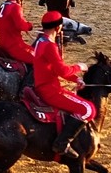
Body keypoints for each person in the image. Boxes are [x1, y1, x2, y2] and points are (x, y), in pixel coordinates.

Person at [32, 10, 96, 158]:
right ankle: (62, 143)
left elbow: (53, 69)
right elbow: (61, 70)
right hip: (50, 90)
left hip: (43, 85)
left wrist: (76, 79)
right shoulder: (50, 46)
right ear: (58, 28)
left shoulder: (40, 41)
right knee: (88, 109)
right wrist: (80, 67)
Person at [0, 0, 36, 65]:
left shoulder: (3, 5)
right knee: (38, 59)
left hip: (2, 44)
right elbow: (21, 25)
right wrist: (29, 26)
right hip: (14, 45)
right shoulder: (15, 6)